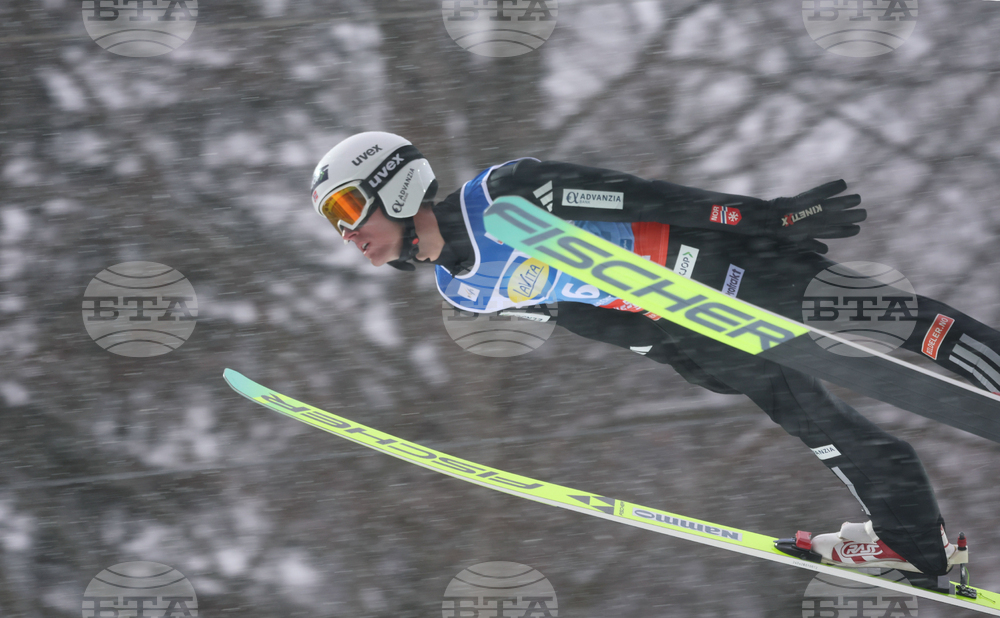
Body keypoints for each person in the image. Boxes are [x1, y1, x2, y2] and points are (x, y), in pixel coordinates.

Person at [309, 131, 1000, 581]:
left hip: (726, 261)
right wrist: (668, 347)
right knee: (810, 417)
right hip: (684, 321)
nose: (348, 233)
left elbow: (646, 199)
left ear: (393, 184)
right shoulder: (464, 288)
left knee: (900, 322)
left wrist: (768, 218)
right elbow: (578, 307)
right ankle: (914, 541)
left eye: (347, 208)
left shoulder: (507, 194)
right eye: (333, 221)